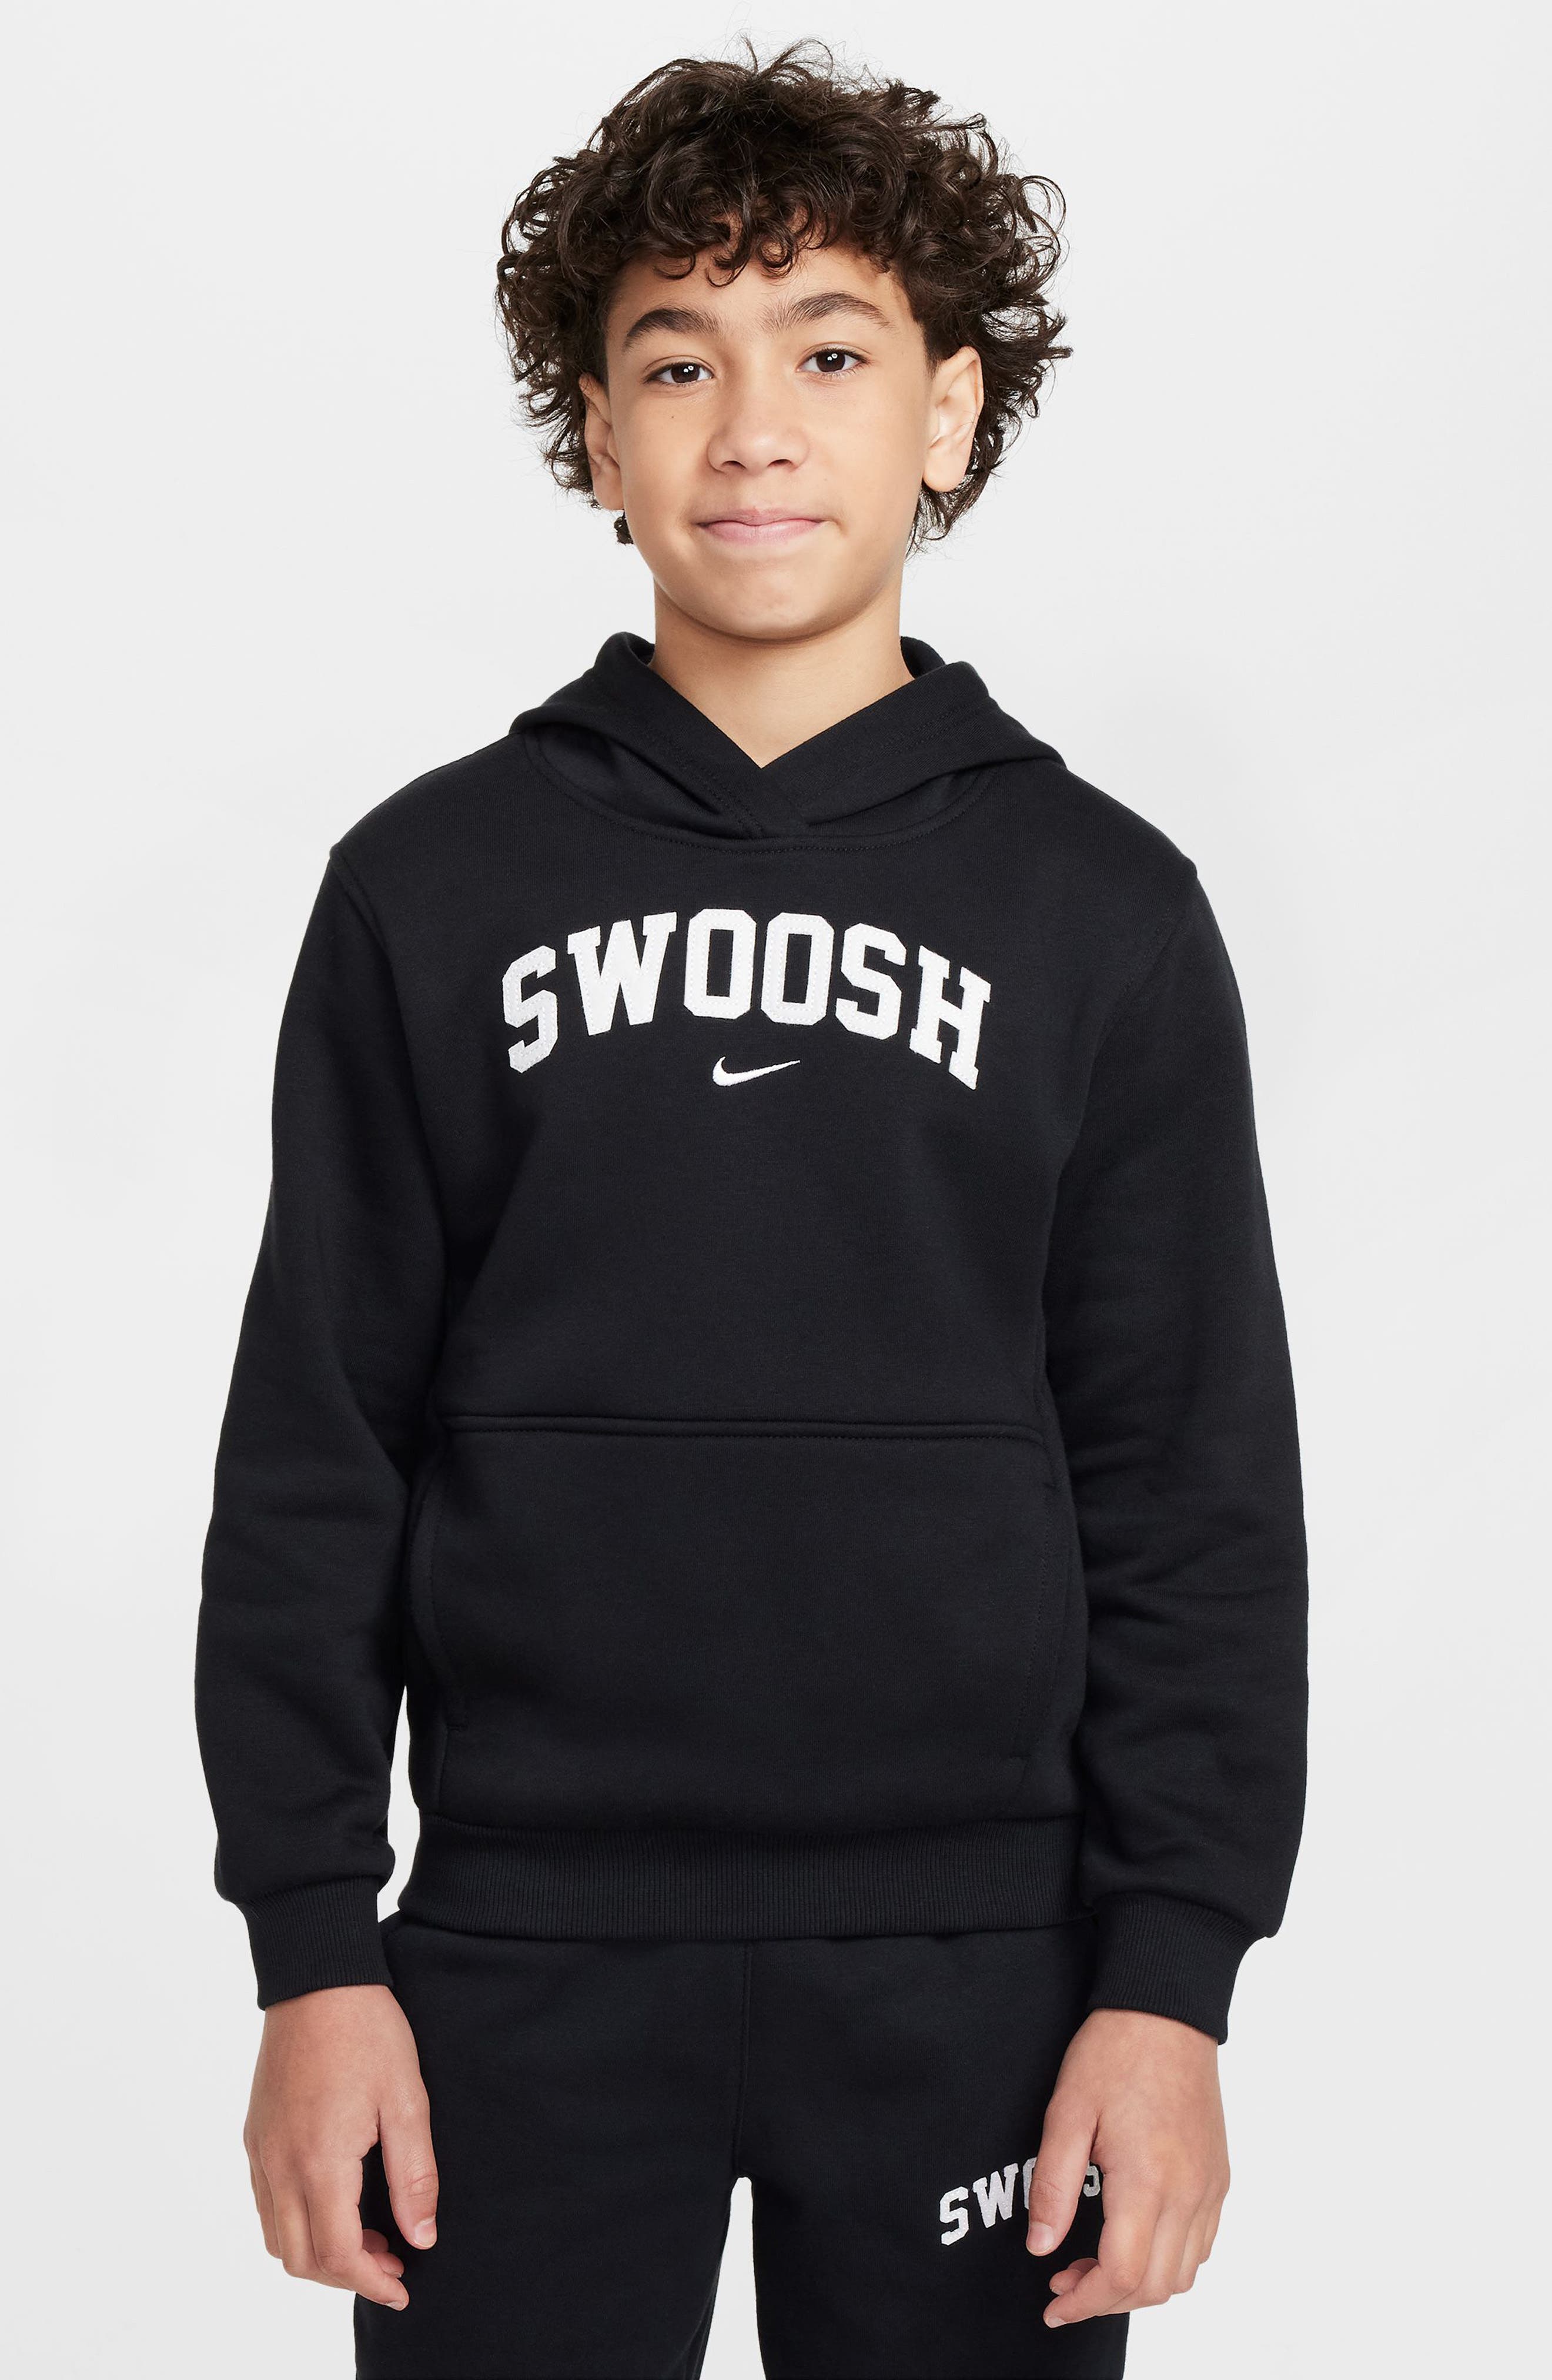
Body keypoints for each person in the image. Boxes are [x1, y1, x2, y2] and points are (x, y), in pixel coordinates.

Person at [195, 41, 1307, 2380]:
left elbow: (1191, 1485)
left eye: (830, 353)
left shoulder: (1102, 911)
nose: (753, 429)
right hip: (511, 1952)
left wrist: (1170, 1983)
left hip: (986, 1968)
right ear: (598, 440)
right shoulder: (427, 888)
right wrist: (313, 1948)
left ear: (950, 415)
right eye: (677, 362)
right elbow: (317, 1452)